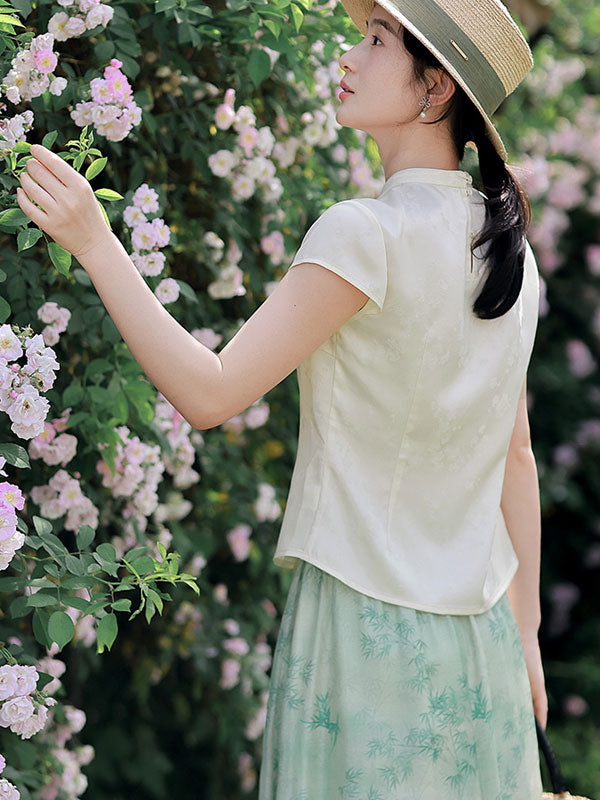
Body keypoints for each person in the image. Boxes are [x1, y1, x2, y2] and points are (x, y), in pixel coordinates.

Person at [14, 0, 547, 796]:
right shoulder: (508, 254)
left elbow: (210, 392)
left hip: (365, 637)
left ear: (434, 89)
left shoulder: (366, 232)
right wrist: (529, 633)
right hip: (483, 646)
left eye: (376, 41)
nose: (351, 54)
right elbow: (516, 457)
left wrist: (96, 241)